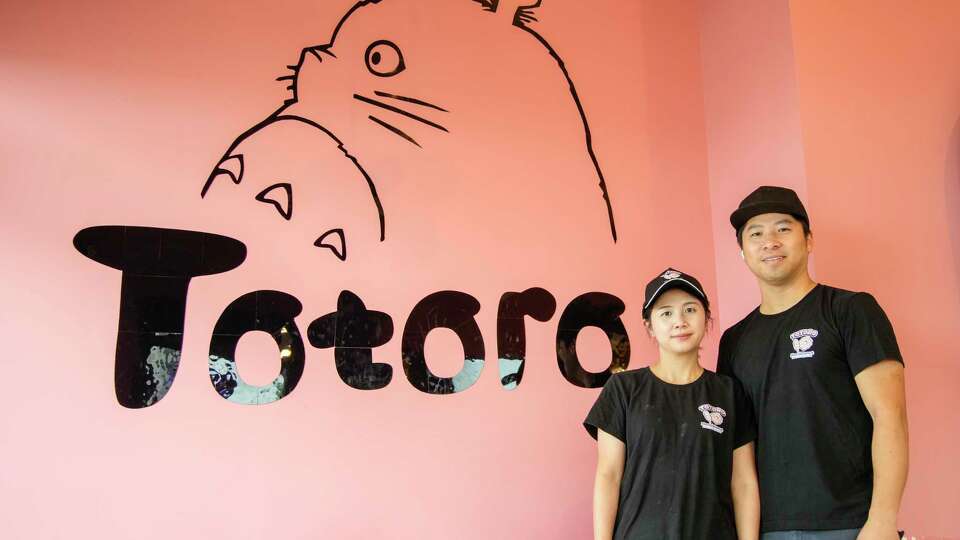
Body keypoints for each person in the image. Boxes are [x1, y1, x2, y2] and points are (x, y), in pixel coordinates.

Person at [717, 186, 908, 540]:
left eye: (783, 228)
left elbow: (890, 414)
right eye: (755, 234)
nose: (769, 241)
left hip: (850, 524)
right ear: (743, 252)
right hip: (765, 528)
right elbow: (735, 446)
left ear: (808, 240)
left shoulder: (850, 310)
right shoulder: (734, 340)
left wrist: (882, 520)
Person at [585, 268, 760, 540]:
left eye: (690, 309)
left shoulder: (728, 392)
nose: (679, 321)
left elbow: (744, 482)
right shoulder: (623, 389)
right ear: (649, 327)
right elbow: (608, 476)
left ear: (706, 318)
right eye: (666, 313)